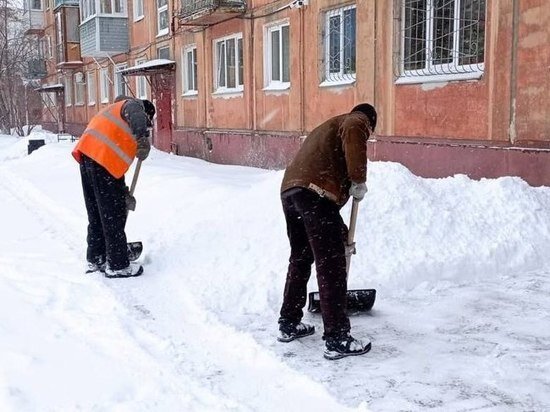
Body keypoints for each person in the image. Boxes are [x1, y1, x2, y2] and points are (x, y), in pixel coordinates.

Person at [277, 103, 377, 360]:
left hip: (292, 191)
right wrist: (358, 179)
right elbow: (356, 128)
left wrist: (341, 235)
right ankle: (337, 338)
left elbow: (326, 217)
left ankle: (289, 322)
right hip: (315, 193)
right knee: (330, 264)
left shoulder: (327, 128)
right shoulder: (356, 121)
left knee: (300, 258)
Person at [72, 96, 155, 278]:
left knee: (97, 213)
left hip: (88, 158)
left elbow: (113, 159)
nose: (147, 126)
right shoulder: (133, 106)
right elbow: (136, 113)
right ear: (146, 114)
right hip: (101, 162)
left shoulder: (113, 113)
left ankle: (97, 258)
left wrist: (121, 191)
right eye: (148, 123)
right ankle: (118, 265)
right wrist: (142, 137)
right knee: (112, 216)